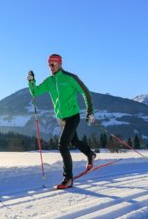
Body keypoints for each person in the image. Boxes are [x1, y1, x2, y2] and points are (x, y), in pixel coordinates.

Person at [27, 54, 96, 189]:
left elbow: (85, 92)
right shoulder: (49, 81)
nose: (50, 68)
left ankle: (68, 178)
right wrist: (31, 81)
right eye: (48, 65)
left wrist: (90, 111)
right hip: (61, 118)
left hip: (73, 116)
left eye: (52, 64)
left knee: (62, 145)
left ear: (59, 64)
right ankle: (90, 154)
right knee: (74, 141)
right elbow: (35, 92)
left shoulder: (70, 78)